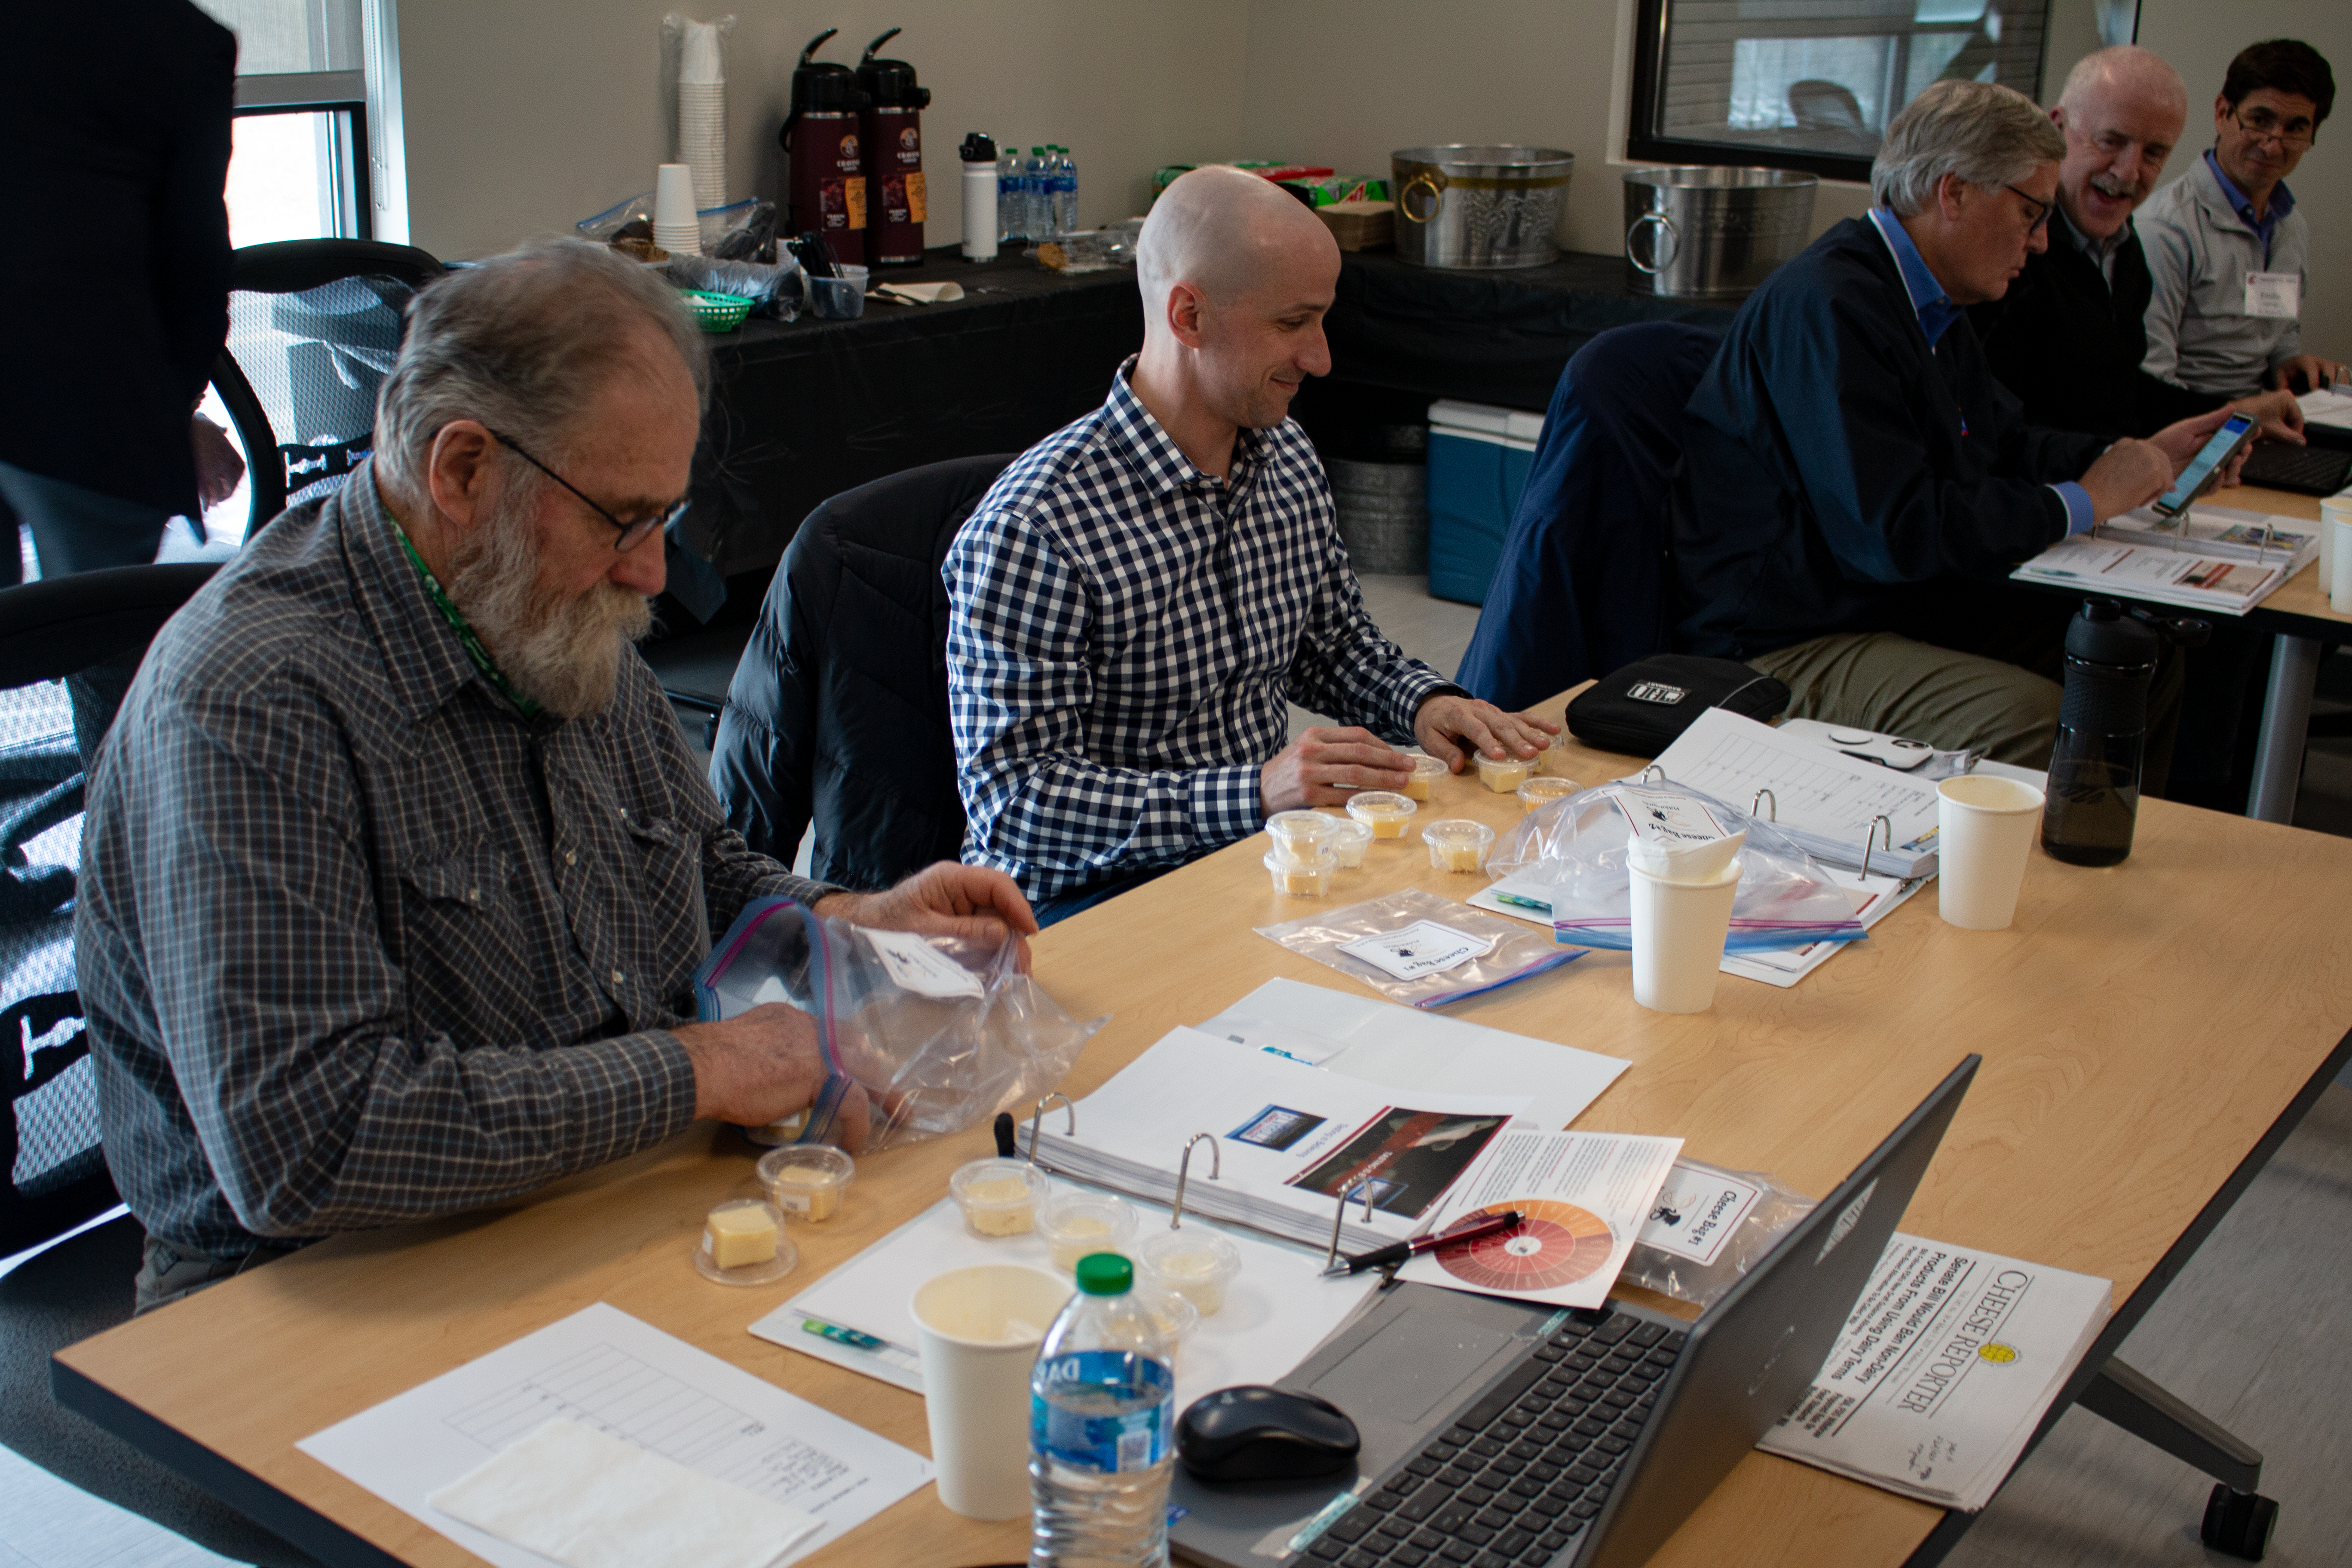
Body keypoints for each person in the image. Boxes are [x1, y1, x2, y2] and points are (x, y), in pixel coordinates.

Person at [76, 241, 1036, 1313]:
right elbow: (308, 1140)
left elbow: (697, 868)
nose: (651, 572)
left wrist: (857, 917)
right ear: (463, 470)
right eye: (621, 518)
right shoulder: (251, 703)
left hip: (581, 1204)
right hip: (314, 1293)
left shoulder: (535, 600)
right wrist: (701, 1069)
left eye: (662, 518)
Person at [945, 165, 1553, 922]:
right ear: (1189, 317)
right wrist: (1256, 793)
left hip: (1249, 857)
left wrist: (1424, 702)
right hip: (1085, 904)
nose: (1321, 357)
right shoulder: (1035, 527)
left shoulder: (1286, 456)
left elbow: (1328, 646)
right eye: (1292, 323)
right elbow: (1016, 803)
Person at [1672, 79, 2231, 771]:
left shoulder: (1928, 302)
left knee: (2134, 655)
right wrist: (2083, 503)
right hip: (1786, 636)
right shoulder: (1832, 304)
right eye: (2031, 213)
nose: (2043, 241)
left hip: (1890, 603)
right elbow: (1894, 532)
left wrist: (2131, 458)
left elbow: (2006, 443)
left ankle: (2104, 859)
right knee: (2043, 721)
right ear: (1954, 191)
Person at [0, 0, 246, 585]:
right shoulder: (179, 38)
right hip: (88, 400)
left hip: (83, 396)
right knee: (102, 655)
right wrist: (175, 410)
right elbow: (194, 262)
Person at [1975, 46, 2304, 443]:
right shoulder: (2008, 254)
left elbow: (2123, 395)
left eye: (2154, 153)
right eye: (2111, 141)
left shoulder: (2125, 251)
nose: (2129, 172)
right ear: (2057, 128)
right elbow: (1989, 430)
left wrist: (2233, 417)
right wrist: (2118, 465)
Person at [2140, 39, 2342, 400]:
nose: (2273, 145)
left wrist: (2290, 362)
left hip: (2258, 423)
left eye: (2295, 128)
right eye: (2260, 120)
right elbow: (2153, 385)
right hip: (2187, 430)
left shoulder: (2291, 227)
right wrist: (2247, 419)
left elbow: (2280, 333)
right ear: (2222, 112)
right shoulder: (2165, 228)